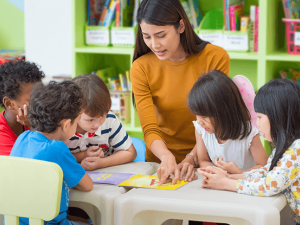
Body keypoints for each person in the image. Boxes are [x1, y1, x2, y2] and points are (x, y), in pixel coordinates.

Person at [131, 0, 230, 186]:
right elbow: (149, 130)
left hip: (208, 160)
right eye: (147, 36)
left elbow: (215, 120)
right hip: (160, 162)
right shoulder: (141, 67)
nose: (155, 45)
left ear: (181, 26)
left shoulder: (215, 58)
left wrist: (192, 157)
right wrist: (166, 157)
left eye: (161, 35)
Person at [198, 79, 300, 225]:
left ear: (279, 116)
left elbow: (270, 185)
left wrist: (226, 183)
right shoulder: (287, 147)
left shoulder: (297, 149)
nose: (257, 124)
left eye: (259, 117)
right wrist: (231, 176)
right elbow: (267, 171)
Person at [10, 81, 93, 225]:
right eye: (77, 122)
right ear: (66, 124)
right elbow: (87, 185)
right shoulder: (57, 149)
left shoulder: (23, 138)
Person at [187, 70, 268, 174]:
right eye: (196, 114)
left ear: (224, 111)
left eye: (204, 116)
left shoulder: (249, 133)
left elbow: (263, 166)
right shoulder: (201, 130)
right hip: (221, 185)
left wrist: (236, 173)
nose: (199, 122)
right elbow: (204, 160)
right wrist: (217, 172)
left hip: (243, 185)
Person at [67, 74, 137, 171]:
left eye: (102, 116)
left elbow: (130, 152)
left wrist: (101, 163)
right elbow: (54, 157)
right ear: (73, 112)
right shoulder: (64, 126)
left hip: (106, 174)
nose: (98, 124)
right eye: (90, 120)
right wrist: (83, 155)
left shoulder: (110, 120)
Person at [0, 60, 45, 156]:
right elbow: (28, 163)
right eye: (33, 100)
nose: (42, 103)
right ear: (9, 104)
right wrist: (33, 126)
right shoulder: (1, 134)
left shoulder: (36, 116)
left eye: (43, 96)